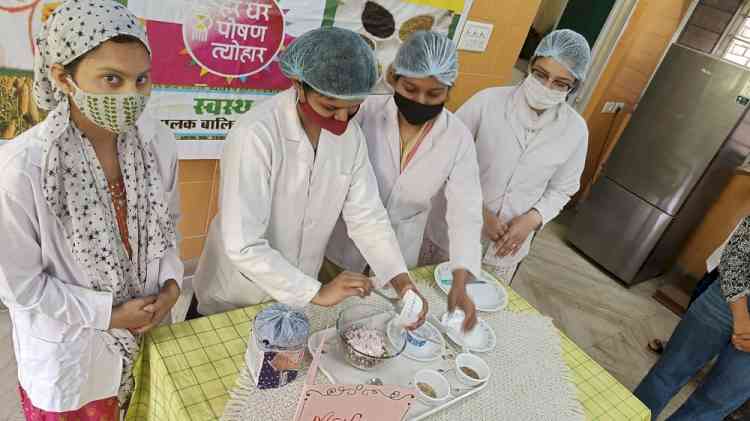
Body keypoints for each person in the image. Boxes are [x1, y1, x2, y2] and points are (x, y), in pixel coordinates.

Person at [0, 1, 183, 419]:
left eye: (141, 79)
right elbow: (20, 287)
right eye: (111, 79)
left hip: (148, 333)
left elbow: (168, 226)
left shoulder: (158, 144)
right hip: (74, 355)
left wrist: (171, 286)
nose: (130, 95)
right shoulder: (23, 169)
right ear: (64, 77)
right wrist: (108, 315)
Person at [191, 27, 427, 325]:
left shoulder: (350, 139)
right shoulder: (256, 135)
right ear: (298, 85)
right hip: (238, 295)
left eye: (353, 107)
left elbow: (367, 216)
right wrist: (316, 291)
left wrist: (399, 278)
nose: (342, 119)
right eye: (330, 107)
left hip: (301, 288)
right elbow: (243, 243)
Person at [324, 31, 483, 331]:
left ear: (449, 90)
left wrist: (460, 282)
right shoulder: (364, 112)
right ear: (394, 78)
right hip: (344, 242)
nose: (420, 101)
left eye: (434, 94)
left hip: (402, 247)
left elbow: (467, 211)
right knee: (329, 323)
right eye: (410, 88)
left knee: (381, 327)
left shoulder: (457, 137)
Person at [426, 29, 591, 283]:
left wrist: (532, 219)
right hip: (451, 231)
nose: (546, 87)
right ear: (531, 65)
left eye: (560, 83)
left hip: (505, 248)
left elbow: (563, 189)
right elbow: (443, 158)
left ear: (574, 86)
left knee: (479, 312)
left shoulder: (575, 130)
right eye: (541, 75)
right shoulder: (487, 102)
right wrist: (478, 212)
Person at [634, 216, 750, 420]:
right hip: (729, 295)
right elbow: (738, 251)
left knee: (714, 404)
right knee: (667, 373)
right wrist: (741, 316)